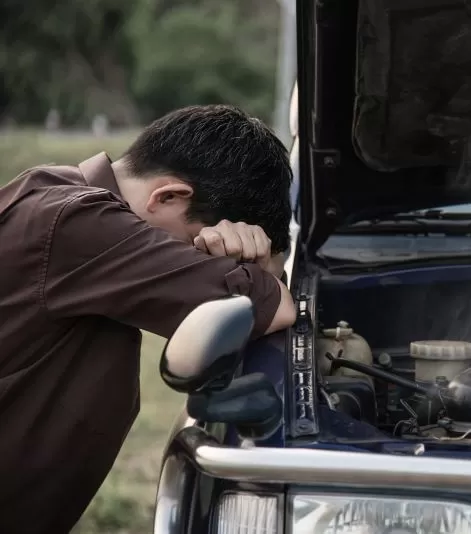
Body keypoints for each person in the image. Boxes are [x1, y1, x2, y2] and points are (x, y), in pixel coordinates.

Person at [0, 105, 297, 534]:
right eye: (199, 251)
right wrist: (261, 270)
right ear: (167, 197)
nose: (194, 266)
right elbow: (275, 307)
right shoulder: (79, 224)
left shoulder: (54, 193)